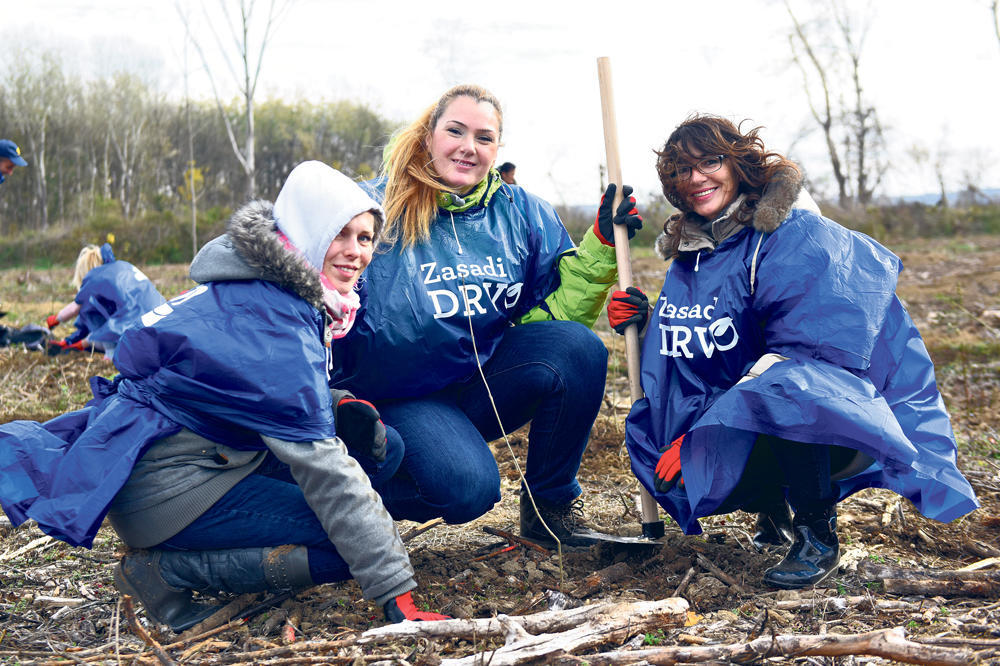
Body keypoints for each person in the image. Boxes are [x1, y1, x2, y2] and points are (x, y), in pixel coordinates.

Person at [0, 161, 448, 632]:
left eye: (365, 237)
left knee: (384, 449)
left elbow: (238, 383)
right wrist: (396, 591)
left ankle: (232, 537)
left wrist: (331, 402)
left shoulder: (270, 286)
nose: (355, 252)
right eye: (340, 234)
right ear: (308, 231)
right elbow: (326, 469)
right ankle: (163, 571)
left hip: (209, 457)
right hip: (169, 492)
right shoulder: (276, 316)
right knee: (340, 545)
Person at [607, 114, 979, 588]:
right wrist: (648, 320)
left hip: (834, 419)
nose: (697, 178)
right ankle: (773, 510)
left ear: (739, 163)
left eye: (711, 161)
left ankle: (815, 533)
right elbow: (720, 333)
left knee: (786, 389)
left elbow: (807, 356)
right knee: (665, 452)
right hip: (762, 405)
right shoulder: (699, 248)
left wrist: (703, 435)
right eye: (681, 169)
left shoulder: (793, 234)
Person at [330, 84, 643, 548]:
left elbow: (554, 319)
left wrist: (600, 244)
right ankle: (331, 493)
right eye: (455, 131)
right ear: (429, 135)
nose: (468, 147)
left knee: (578, 349)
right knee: (468, 492)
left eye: (484, 137)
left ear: (497, 148)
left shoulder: (523, 212)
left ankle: (549, 509)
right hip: (400, 401)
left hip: (482, 385)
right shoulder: (367, 209)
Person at [44, 243, 165, 359]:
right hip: (163, 321)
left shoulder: (95, 278)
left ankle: (110, 356)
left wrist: (56, 319)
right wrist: (70, 341)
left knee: (106, 332)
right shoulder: (122, 267)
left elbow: (75, 309)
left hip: (140, 331)